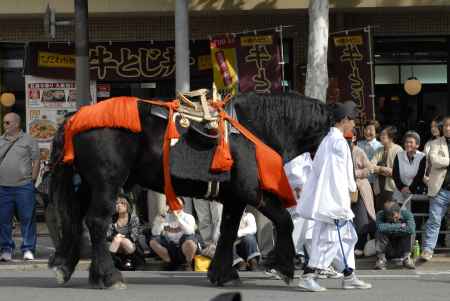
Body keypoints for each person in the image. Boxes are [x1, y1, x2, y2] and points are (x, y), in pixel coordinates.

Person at [297, 101, 372, 292]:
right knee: (329, 239)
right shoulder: (336, 142)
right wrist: (341, 202)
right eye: (352, 120)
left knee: (346, 238)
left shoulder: (330, 140)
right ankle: (308, 274)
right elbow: (335, 176)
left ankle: (349, 275)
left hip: (332, 201)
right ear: (345, 120)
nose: (354, 124)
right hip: (333, 202)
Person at [284, 152, 343, 279]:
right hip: (301, 194)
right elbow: (293, 172)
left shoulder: (305, 153)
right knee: (298, 229)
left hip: (307, 194)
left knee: (310, 231)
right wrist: (299, 188)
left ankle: (319, 265)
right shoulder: (297, 152)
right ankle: (279, 262)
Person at [0, 112, 40, 261]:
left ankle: (28, 248)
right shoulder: (1, 140)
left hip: (24, 186)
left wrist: (33, 180)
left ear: (17, 124)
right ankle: (6, 249)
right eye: (4, 122)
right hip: (3, 187)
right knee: (3, 220)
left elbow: (36, 160)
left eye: (7, 122)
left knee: (27, 218)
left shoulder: (29, 140)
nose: (4, 125)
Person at [421, 116, 450, 262]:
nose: (447, 128)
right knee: (434, 220)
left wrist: (445, 162)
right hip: (440, 189)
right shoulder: (435, 143)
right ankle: (428, 249)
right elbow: (434, 160)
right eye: (445, 126)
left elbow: (441, 162)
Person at [348, 131, 376, 257]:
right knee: (348, 218)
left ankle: (360, 246)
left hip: (359, 188)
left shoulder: (358, 151)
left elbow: (369, 168)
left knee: (361, 218)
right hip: (345, 189)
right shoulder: (340, 151)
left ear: (354, 138)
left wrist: (355, 173)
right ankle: (350, 247)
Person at [149, 198, 198, 270]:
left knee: (190, 242)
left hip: (183, 248)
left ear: (183, 206)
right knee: (153, 241)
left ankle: (188, 263)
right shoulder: (163, 216)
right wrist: (160, 221)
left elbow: (190, 232)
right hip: (170, 247)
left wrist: (178, 218)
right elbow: (155, 233)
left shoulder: (188, 217)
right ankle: (168, 262)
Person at [374, 200, 416, 270]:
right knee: (379, 232)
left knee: (411, 232)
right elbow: (380, 228)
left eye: (396, 218)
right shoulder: (380, 214)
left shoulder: (407, 214)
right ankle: (381, 259)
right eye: (390, 219)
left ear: (399, 212)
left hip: (401, 248)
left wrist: (389, 227)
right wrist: (401, 226)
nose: (394, 220)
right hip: (387, 248)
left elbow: (411, 229)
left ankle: (406, 258)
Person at [371, 126, 403, 211]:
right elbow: (371, 166)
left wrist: (379, 169)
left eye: (383, 136)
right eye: (381, 135)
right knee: (379, 212)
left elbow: (397, 172)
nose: (380, 137)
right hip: (379, 188)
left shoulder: (398, 150)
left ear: (391, 137)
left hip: (392, 188)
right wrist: (383, 169)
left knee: (391, 213)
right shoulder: (379, 150)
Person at [107, 194, 141, 270]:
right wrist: (116, 237)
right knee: (116, 239)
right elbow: (107, 234)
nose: (119, 205)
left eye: (122, 203)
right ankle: (110, 263)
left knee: (122, 240)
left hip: (130, 246)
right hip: (116, 244)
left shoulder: (133, 218)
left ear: (127, 205)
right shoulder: (112, 218)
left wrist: (121, 237)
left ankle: (129, 261)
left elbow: (134, 236)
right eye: (117, 203)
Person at [392, 131, 427, 200]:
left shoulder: (422, 156)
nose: (408, 144)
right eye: (406, 142)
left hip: (415, 191)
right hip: (400, 190)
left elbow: (420, 175)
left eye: (411, 142)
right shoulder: (399, 155)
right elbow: (395, 174)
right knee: (398, 209)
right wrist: (402, 188)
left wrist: (410, 189)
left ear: (417, 145)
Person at [357, 120, 383, 184]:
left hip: (376, 182)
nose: (367, 132)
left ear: (376, 133)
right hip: (361, 182)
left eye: (371, 130)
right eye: (366, 129)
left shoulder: (380, 146)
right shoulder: (358, 144)